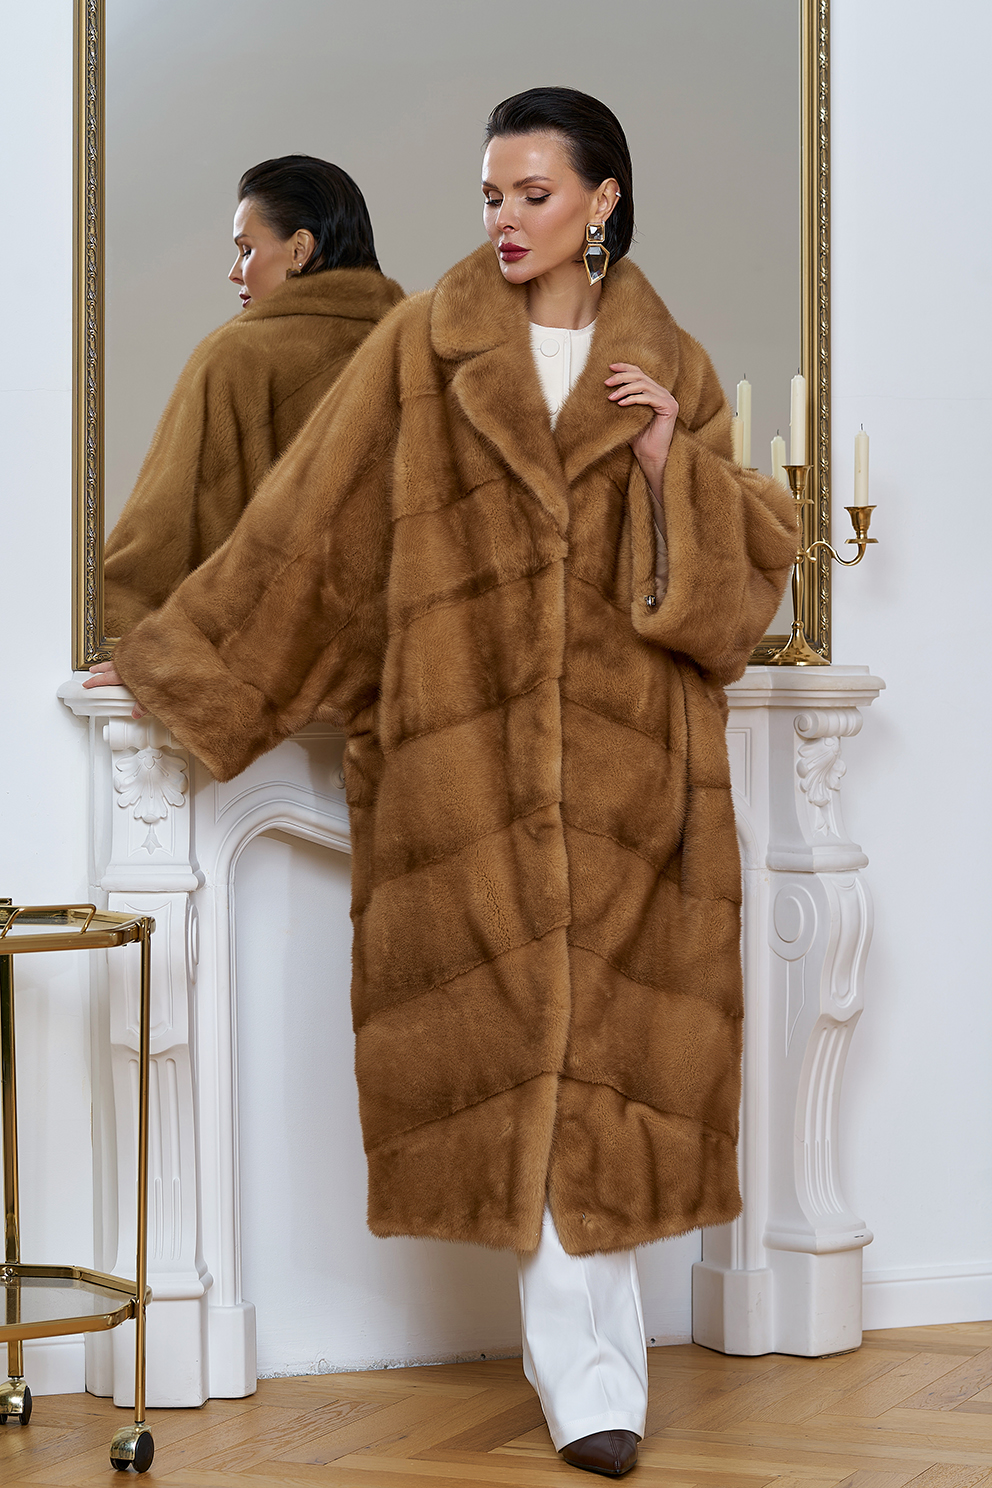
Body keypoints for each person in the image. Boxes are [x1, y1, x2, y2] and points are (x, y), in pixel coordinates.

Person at [86, 89, 796, 1477]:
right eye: (490, 195)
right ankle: (585, 1379)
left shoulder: (670, 363)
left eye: (534, 193)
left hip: (638, 780)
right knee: (525, 1065)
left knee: (602, 1075)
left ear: (600, 200)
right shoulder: (424, 344)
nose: (505, 220)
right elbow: (310, 526)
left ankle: (599, 1373)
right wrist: (175, 656)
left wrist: (671, 465)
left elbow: (736, 603)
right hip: (463, 772)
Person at [102, 154, 404, 636]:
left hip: (264, 656)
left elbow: (157, 542)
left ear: (300, 249)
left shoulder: (237, 356)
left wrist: (128, 637)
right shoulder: (416, 346)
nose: (234, 272)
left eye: (245, 250)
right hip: (395, 663)